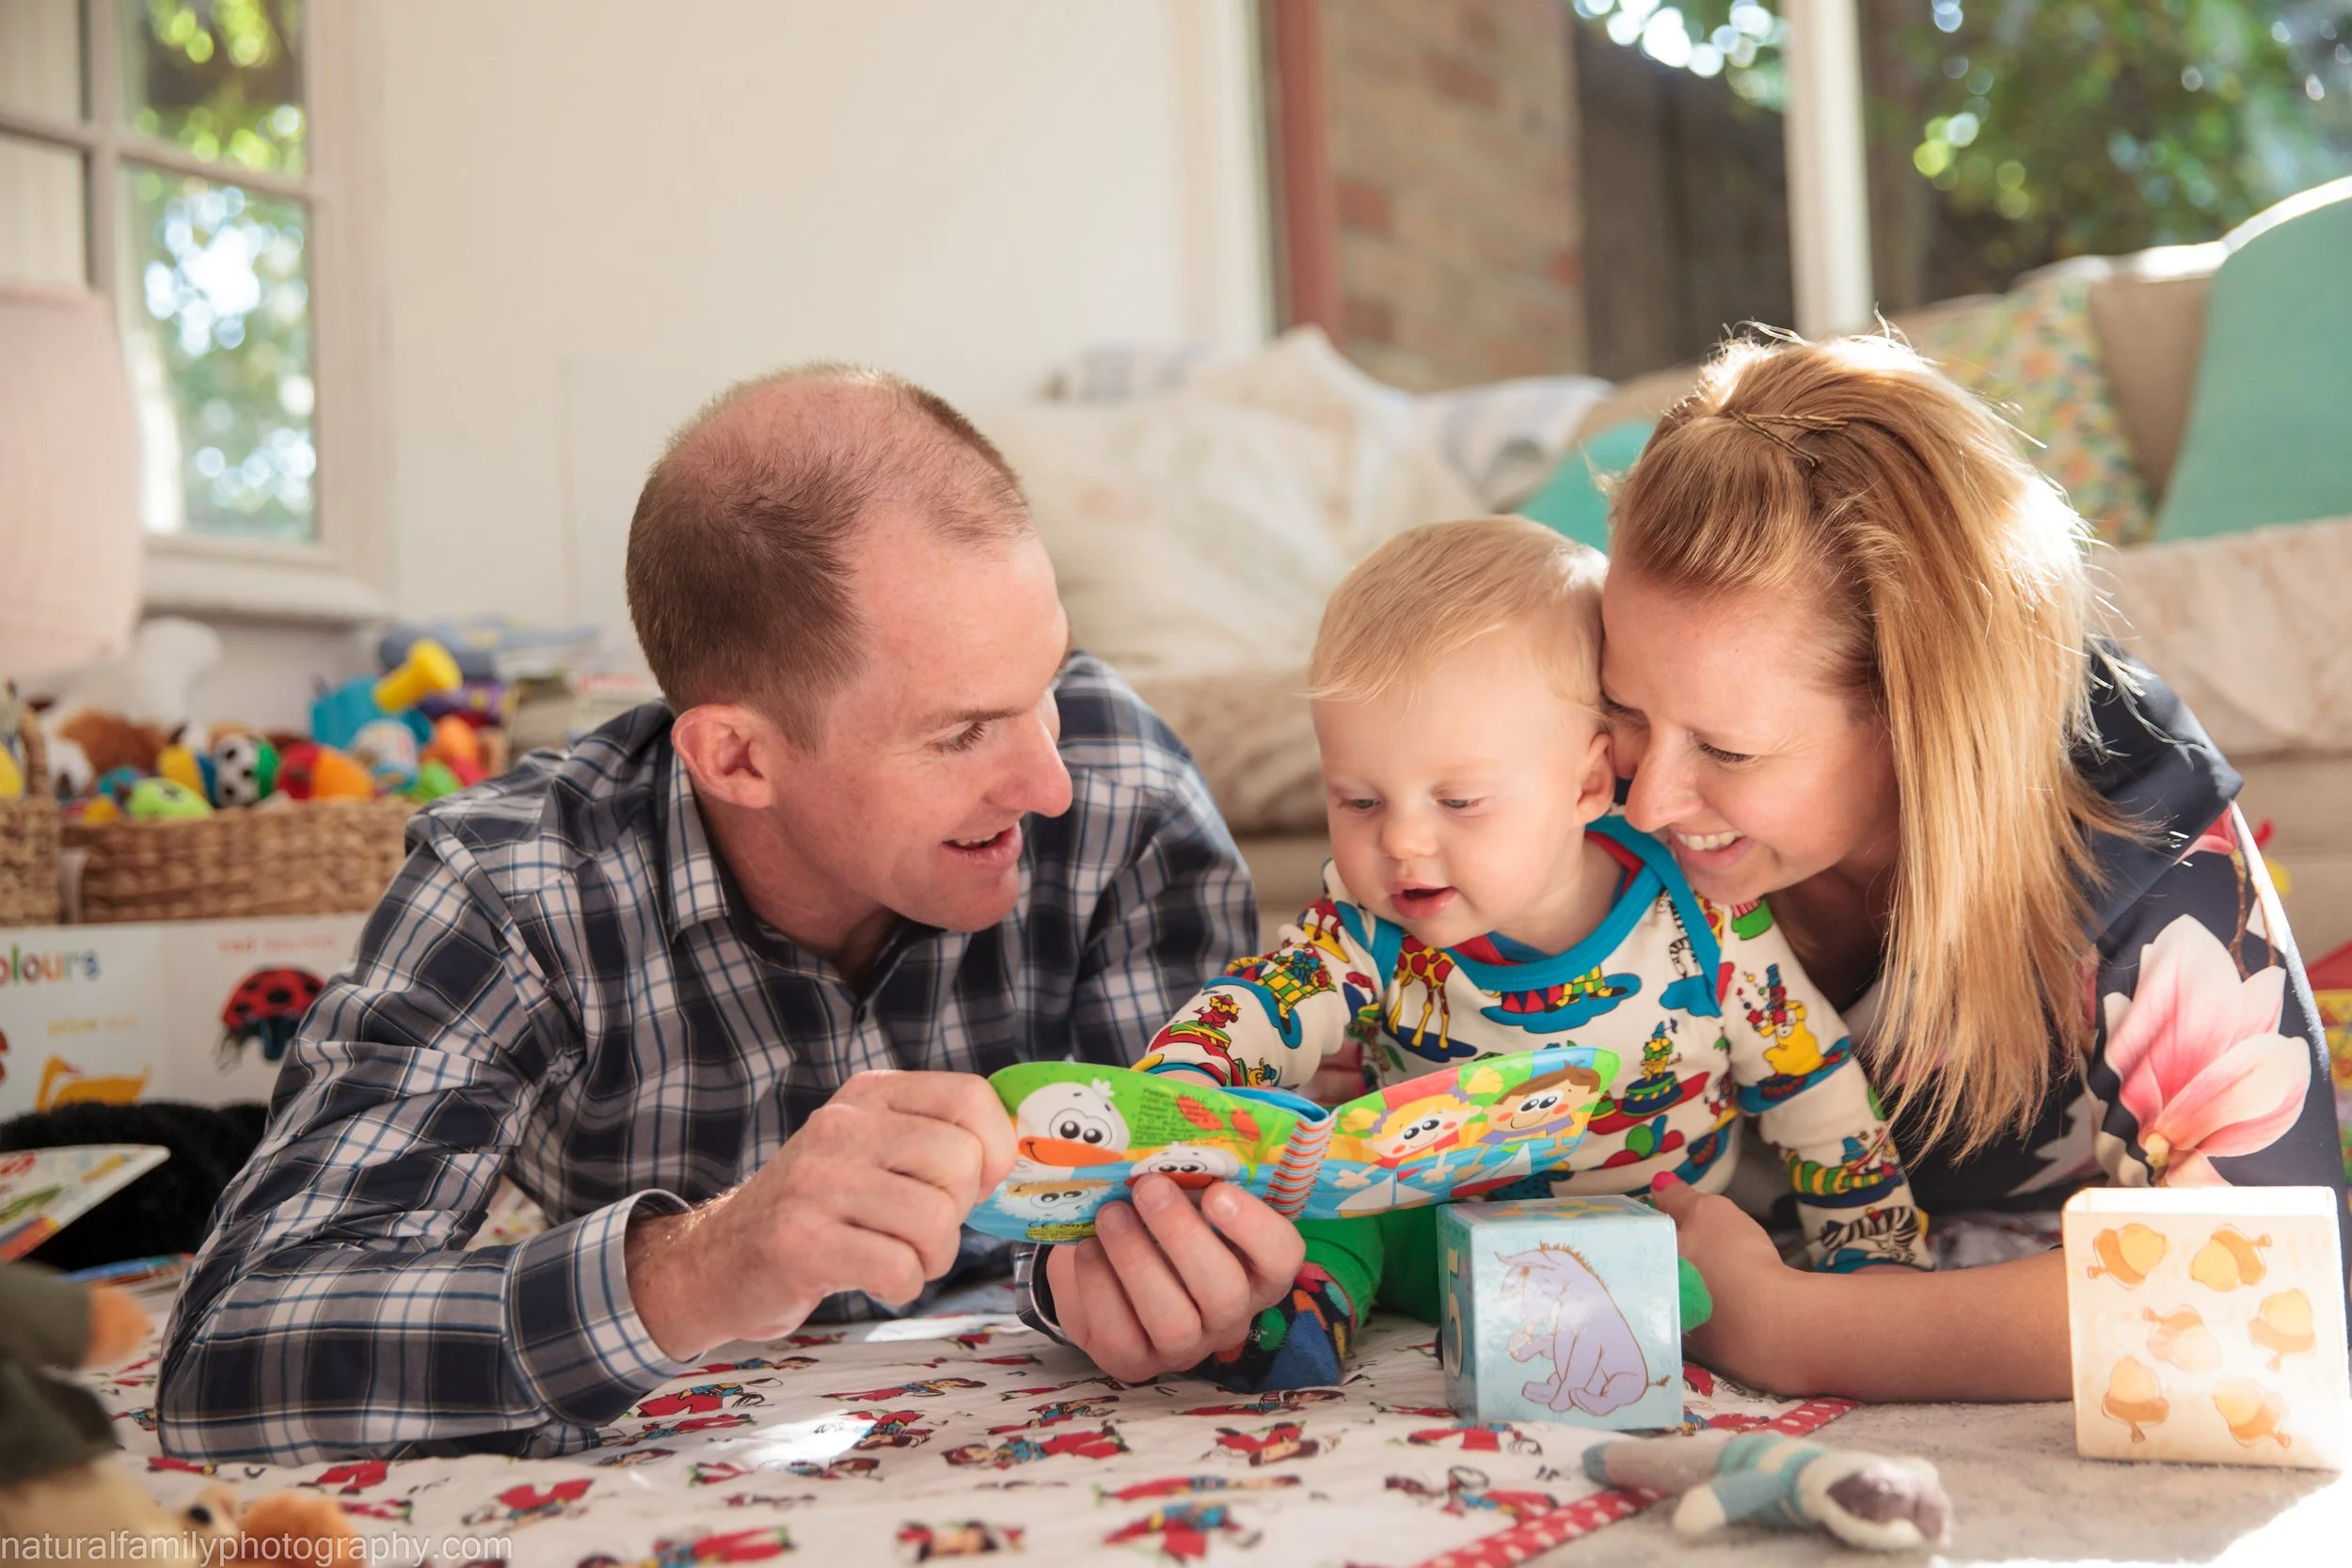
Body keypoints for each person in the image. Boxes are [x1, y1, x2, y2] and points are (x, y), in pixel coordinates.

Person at [155, 366, 1304, 1463]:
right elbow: (226, 1350)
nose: (1048, 782)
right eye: (961, 733)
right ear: (737, 754)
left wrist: (1135, 1280)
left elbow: (1176, 1196)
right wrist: (699, 1265)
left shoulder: (1125, 798)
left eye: (1044, 684)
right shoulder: (515, 885)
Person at [1597, 332, 2347, 1401]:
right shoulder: (1576, 765)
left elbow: (2269, 1297)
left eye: (1728, 749)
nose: (1642, 801)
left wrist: (1787, 1326)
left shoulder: (2132, 816)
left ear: (1918, 717)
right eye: (1623, 710)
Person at [1041, 516, 1928, 1389]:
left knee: (1708, 1267)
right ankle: (1292, 1324)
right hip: (1428, 1225)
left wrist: (1872, 1253)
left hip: (1648, 1223)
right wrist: (1189, 1078)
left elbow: (1813, 1084)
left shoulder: (1699, 916)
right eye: (1357, 801)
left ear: (1586, 782)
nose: (1403, 844)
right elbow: (1273, 996)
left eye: (1459, 802)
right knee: (1321, 1213)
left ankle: (1642, 1322)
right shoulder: (1371, 924)